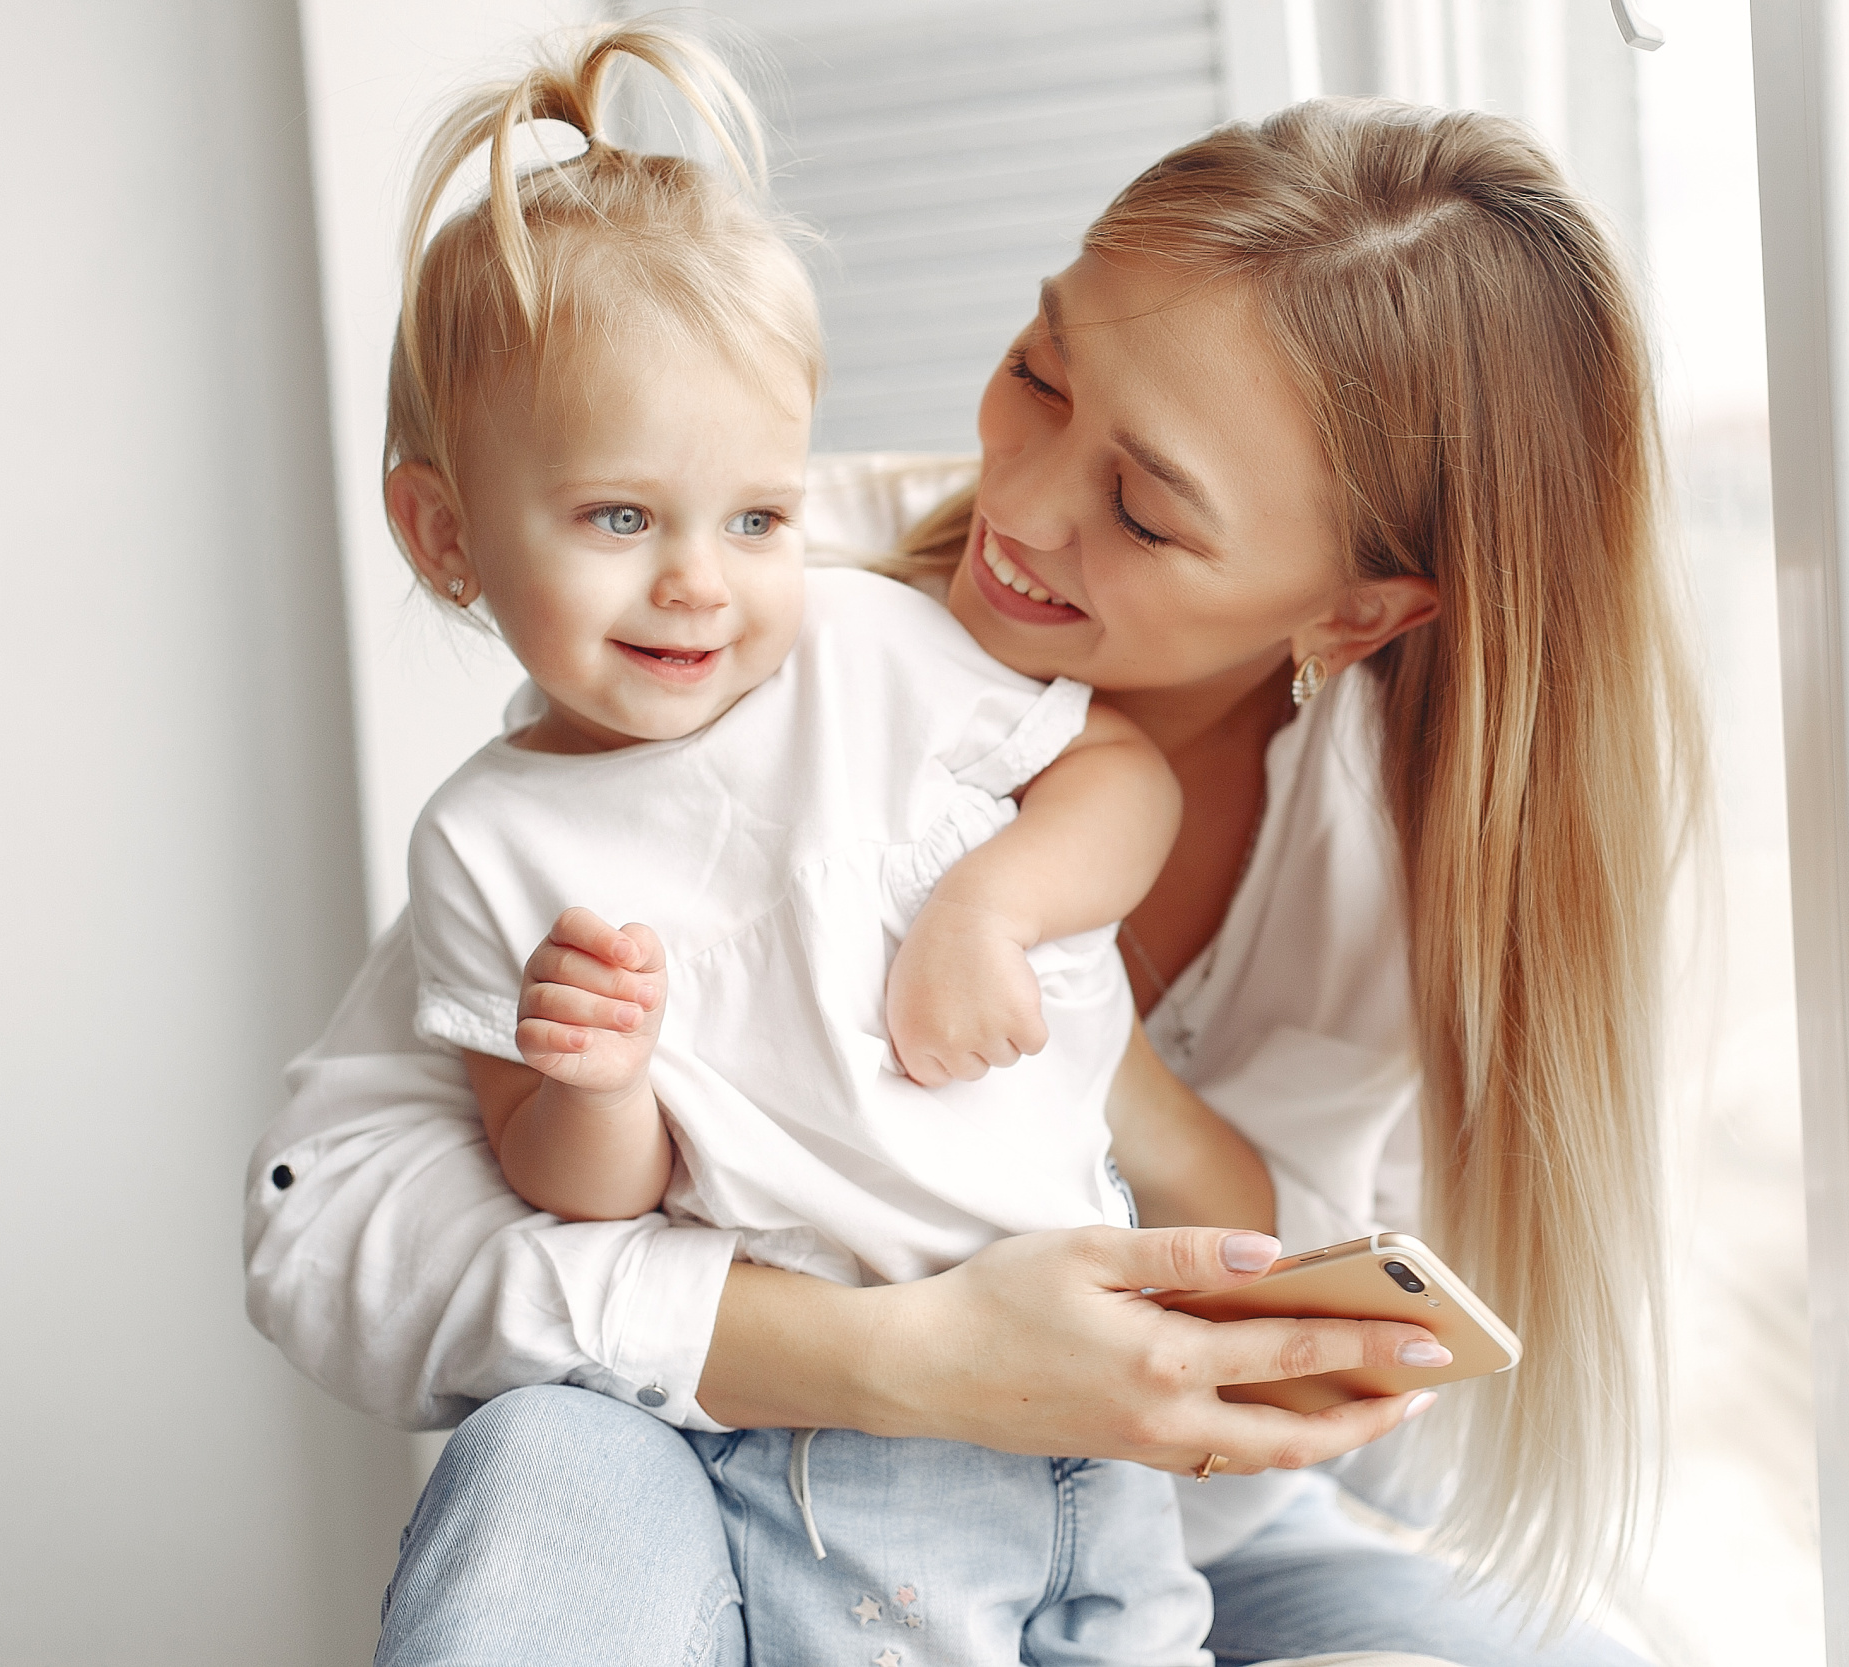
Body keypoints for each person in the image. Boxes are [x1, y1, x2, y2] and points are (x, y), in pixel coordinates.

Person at [245, 69, 1696, 1667]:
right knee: (546, 1469)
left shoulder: (1421, 860)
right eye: (1037, 370)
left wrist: (1074, 1015)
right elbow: (342, 1230)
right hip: (756, 1481)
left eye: (1142, 510)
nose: (1014, 498)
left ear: (1357, 615)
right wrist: (900, 1356)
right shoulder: (756, 629)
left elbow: (1317, 1364)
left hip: (1161, 1533)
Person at [370, 25, 1313, 1666]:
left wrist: (995, 904)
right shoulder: (489, 845)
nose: (698, 583)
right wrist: (594, 1085)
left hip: (1098, 1384)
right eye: (617, 518)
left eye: (754, 516)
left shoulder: (865, 652)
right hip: (826, 1455)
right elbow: (575, 1189)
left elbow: (1118, 781)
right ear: (445, 534)